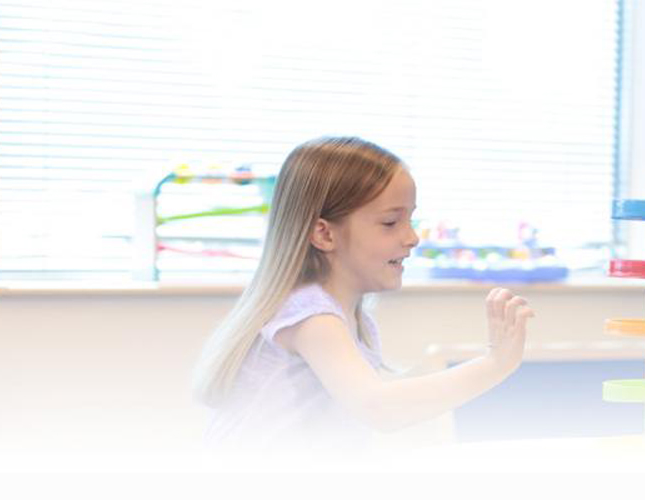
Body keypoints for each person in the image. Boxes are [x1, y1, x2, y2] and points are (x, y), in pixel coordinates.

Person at [192, 137, 535, 450]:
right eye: (390, 223)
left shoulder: (349, 321)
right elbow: (380, 409)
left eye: (410, 220)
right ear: (324, 234)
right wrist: (496, 364)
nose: (412, 237)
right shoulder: (312, 318)